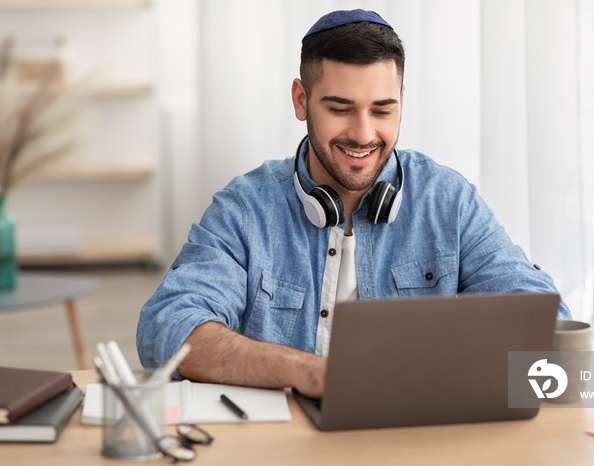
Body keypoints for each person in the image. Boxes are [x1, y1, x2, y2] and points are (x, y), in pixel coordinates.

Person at [137, 9, 571, 399]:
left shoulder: (449, 201)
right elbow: (170, 326)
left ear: (403, 101)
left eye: (383, 110)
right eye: (341, 108)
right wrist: (310, 373)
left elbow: (543, 316)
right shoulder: (244, 208)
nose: (363, 134)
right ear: (301, 100)